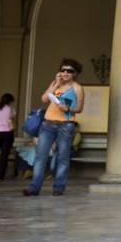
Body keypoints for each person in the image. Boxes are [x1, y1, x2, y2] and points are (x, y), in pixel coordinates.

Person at [24, 58, 84, 196]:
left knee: (62, 158)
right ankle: (34, 188)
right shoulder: (55, 84)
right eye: (63, 70)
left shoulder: (77, 88)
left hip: (66, 126)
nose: (65, 73)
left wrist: (67, 108)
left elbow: (79, 108)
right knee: (40, 157)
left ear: (75, 73)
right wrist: (56, 83)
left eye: (69, 71)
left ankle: (58, 188)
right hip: (47, 124)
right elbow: (44, 99)